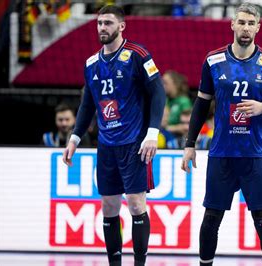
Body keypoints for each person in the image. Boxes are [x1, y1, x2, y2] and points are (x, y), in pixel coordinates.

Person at [180, 3, 262, 266]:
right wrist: (189, 143)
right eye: (241, 22)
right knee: (211, 217)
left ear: (258, 28)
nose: (245, 28)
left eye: (251, 23)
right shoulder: (214, 60)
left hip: (257, 153)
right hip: (223, 152)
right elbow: (201, 104)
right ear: (232, 24)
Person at [62, 5, 166, 266]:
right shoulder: (91, 63)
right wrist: (74, 138)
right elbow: (88, 103)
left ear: (121, 26)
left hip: (134, 143)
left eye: (108, 23)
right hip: (106, 144)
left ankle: (140, 263)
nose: (102, 28)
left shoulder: (138, 55)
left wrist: (152, 133)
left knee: (134, 203)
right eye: (99, 24)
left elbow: (159, 93)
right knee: (108, 207)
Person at [163, 70, 192, 135]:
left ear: (174, 84)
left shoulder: (184, 101)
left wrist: (167, 128)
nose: (162, 85)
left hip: (178, 138)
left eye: (165, 83)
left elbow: (186, 127)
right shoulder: (165, 100)